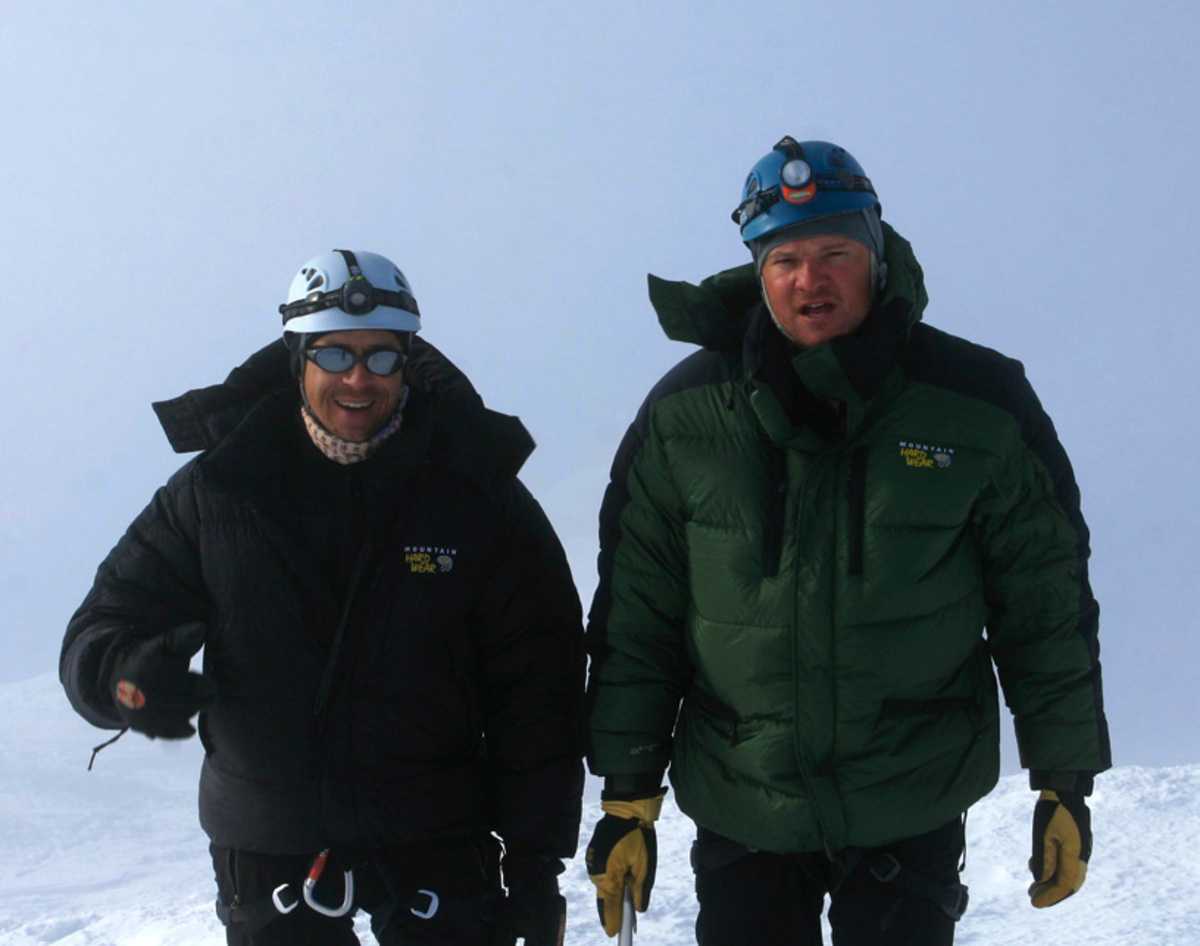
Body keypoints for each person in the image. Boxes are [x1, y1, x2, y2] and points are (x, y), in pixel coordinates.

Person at [583, 138, 1110, 945]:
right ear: (758, 272)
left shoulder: (975, 404)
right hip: (742, 797)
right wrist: (627, 792)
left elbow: (1042, 602)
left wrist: (1064, 778)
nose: (810, 279)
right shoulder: (686, 416)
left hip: (911, 793)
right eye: (785, 258)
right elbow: (638, 616)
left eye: (835, 252)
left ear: (877, 252)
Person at [61, 249, 585, 946]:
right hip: (272, 841)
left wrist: (534, 868)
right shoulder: (219, 491)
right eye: (335, 355)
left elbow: (539, 687)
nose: (359, 379)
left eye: (382, 357)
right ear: (298, 357)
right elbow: (107, 622)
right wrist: (125, 681)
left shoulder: (476, 494)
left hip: (437, 834)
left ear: (409, 360)